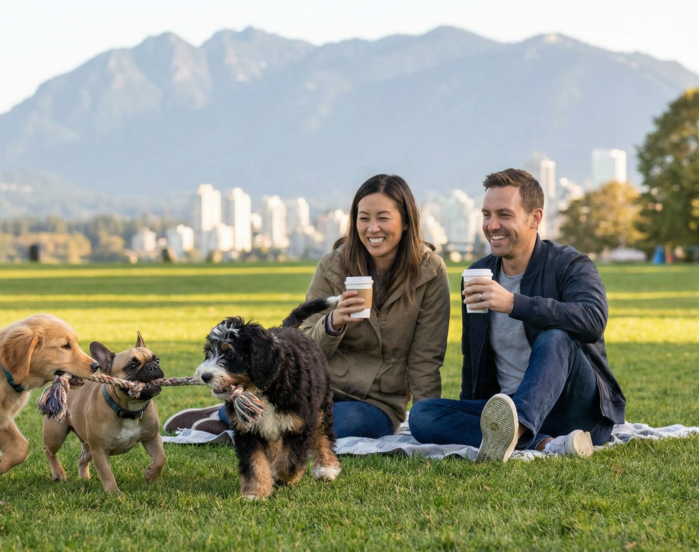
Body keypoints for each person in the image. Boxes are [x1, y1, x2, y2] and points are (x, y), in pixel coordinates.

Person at [164, 174, 451, 438]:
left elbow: (426, 357)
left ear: (406, 221)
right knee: (296, 414)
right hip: (316, 385)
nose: (372, 228)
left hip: (377, 402)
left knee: (337, 425)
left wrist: (427, 419)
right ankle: (228, 415)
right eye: (364, 218)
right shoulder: (333, 265)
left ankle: (236, 416)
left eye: (383, 218)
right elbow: (303, 341)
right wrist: (333, 323)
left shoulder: (429, 272)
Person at [408, 169, 626, 462]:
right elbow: (473, 360)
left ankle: (518, 431)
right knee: (423, 414)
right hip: (507, 405)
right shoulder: (477, 275)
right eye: (486, 214)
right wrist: (466, 409)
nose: (492, 225)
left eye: (504, 215)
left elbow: (593, 319)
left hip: (577, 412)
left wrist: (513, 303)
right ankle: (541, 443)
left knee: (556, 335)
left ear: (535, 218)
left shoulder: (570, 264)